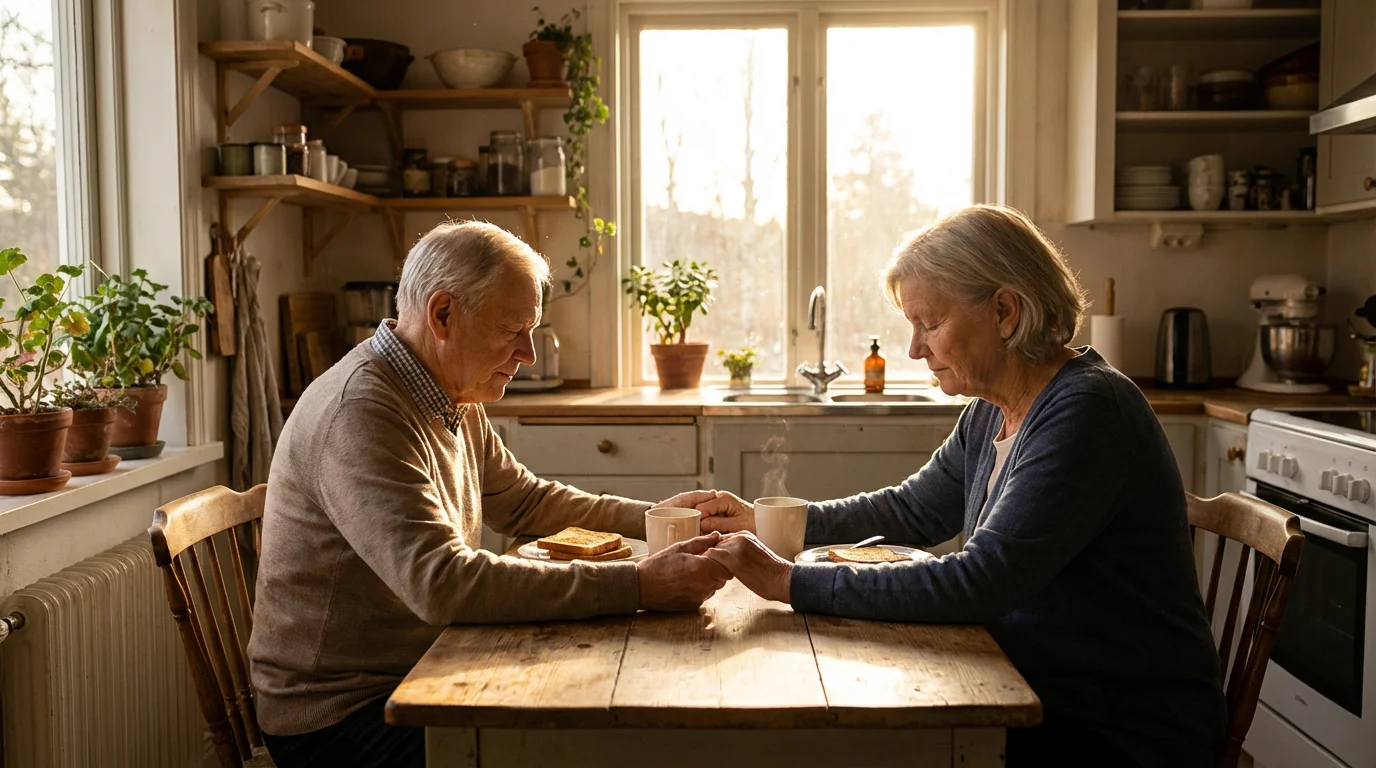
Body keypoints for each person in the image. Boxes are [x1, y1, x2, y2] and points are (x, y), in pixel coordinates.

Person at [697, 205, 1226, 767]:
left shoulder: (1088, 410)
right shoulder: (990, 410)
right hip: (1031, 684)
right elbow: (912, 510)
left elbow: (982, 581)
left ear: (1004, 311)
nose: (914, 349)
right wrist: (767, 523)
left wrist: (787, 581)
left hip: (1118, 727)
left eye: (929, 323)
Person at [248, 221, 730, 768]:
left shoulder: (448, 389)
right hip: (339, 719)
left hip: (422, 670)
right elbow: (443, 583)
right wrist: (639, 583)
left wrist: (656, 517)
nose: (527, 353)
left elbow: (524, 502)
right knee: (589, 748)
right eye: (512, 330)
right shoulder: (361, 412)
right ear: (443, 315)